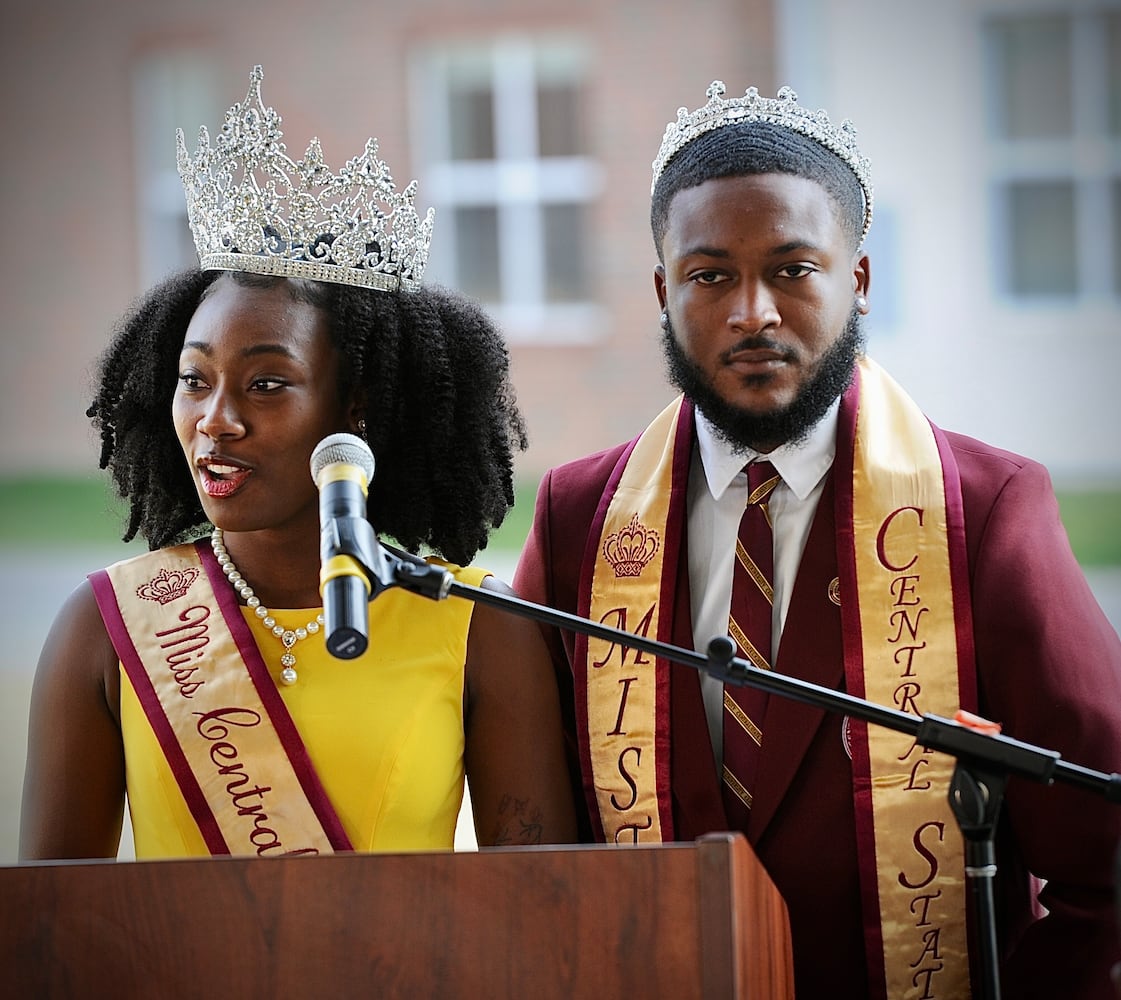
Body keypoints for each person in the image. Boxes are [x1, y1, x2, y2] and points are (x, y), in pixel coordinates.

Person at [514, 81, 1121, 998]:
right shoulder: (577, 520)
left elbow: (1106, 863)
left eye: (793, 269)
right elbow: (538, 847)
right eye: (709, 274)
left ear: (860, 280)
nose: (751, 311)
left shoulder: (985, 510)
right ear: (662, 289)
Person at [20, 65, 575, 861]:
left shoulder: (480, 627)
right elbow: (51, 933)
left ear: (355, 406)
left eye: (267, 384)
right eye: (194, 381)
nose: (217, 419)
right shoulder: (107, 628)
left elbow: (538, 917)